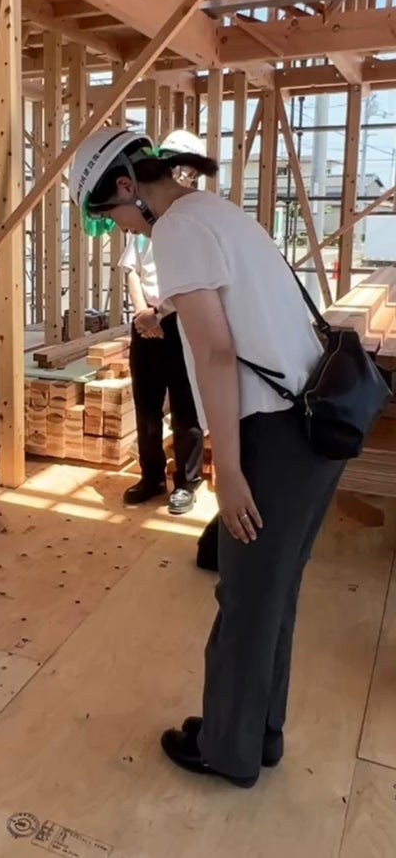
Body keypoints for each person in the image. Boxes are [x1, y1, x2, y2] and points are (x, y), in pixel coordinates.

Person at [69, 128, 344, 789]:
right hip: (313, 426)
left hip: (274, 433)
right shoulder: (214, 211)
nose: (120, 230)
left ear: (128, 187)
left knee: (245, 599)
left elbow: (217, 355)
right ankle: (257, 735)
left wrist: (230, 470)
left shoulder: (176, 231)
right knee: (272, 595)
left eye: (111, 216)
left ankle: (227, 751)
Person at [119, 130, 204, 516]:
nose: (178, 176)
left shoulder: (195, 221)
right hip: (146, 323)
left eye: (185, 170)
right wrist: (142, 313)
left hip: (181, 323)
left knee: (186, 406)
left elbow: (194, 280)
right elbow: (131, 270)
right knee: (147, 405)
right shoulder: (146, 215)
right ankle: (151, 476)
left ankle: (187, 482)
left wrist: (159, 314)